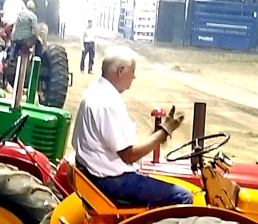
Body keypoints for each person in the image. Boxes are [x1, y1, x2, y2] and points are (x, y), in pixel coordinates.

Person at [71, 46, 192, 208]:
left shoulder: (95, 92)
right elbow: (129, 155)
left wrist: (156, 136)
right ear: (121, 71)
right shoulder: (107, 102)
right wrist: (164, 132)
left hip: (96, 174)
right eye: (132, 71)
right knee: (183, 196)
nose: (134, 77)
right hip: (111, 181)